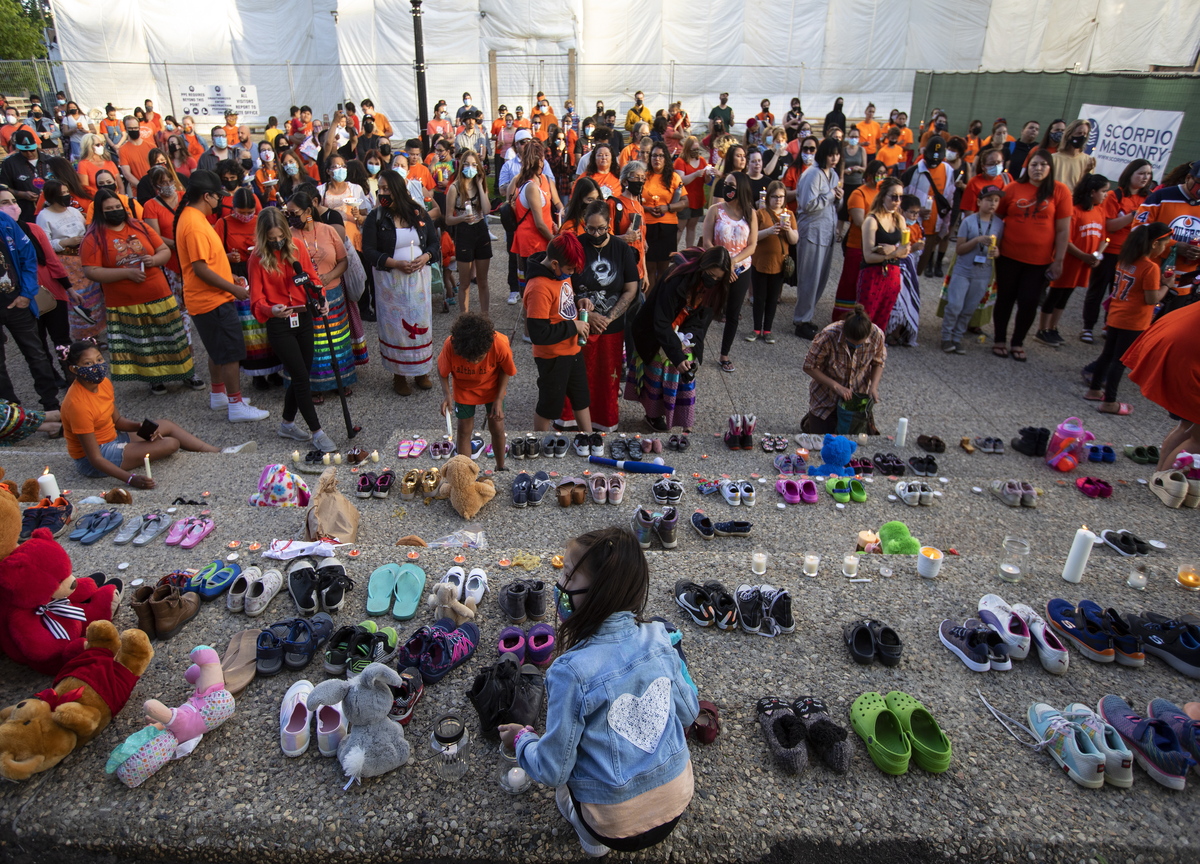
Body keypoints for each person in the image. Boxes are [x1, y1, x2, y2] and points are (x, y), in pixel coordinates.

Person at [501, 524, 697, 856]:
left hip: (611, 825)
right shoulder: (659, 638)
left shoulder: (569, 671)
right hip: (677, 799)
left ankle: (591, 843)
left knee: (565, 777)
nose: (559, 584)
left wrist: (521, 739)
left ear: (600, 592)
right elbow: (689, 712)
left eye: (568, 575)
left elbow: (553, 769)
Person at [60, 341, 250, 486]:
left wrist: (140, 427)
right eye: (88, 363)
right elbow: (95, 458)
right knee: (171, 443)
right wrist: (130, 479)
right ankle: (133, 451)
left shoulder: (103, 384)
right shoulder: (78, 405)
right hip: (95, 458)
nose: (96, 366)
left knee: (165, 425)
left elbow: (117, 421)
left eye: (99, 360)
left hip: (112, 438)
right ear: (74, 369)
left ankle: (219, 451)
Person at [174, 170, 269, 422]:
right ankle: (235, 404)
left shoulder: (193, 218)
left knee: (218, 350)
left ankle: (219, 394)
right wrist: (233, 288)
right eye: (218, 196)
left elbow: (208, 261)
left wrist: (229, 276)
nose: (220, 201)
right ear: (207, 196)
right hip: (211, 299)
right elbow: (200, 268)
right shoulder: (194, 224)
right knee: (230, 353)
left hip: (208, 297)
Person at [79, 189, 195, 394]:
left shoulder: (140, 226)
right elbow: (91, 271)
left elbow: (164, 250)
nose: (115, 211)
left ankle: (186, 373)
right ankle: (155, 378)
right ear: (100, 212)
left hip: (158, 294)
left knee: (171, 337)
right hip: (125, 302)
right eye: (109, 209)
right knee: (144, 343)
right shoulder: (93, 237)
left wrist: (154, 260)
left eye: (118, 207)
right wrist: (126, 274)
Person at [248, 208, 338, 452]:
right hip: (279, 323)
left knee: (302, 375)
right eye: (272, 238)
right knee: (299, 376)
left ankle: (287, 424)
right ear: (264, 237)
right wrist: (271, 310)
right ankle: (317, 432)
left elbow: (312, 278)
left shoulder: (297, 246)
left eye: (281, 237)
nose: (278, 242)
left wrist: (321, 298)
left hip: (303, 316)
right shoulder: (257, 258)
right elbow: (256, 299)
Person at [626, 246, 731, 432]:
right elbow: (660, 321)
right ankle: (653, 415)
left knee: (685, 373)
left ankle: (683, 418)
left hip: (685, 331)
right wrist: (676, 354)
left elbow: (701, 321)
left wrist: (688, 344)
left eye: (717, 278)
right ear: (702, 267)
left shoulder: (715, 288)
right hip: (654, 332)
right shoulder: (676, 278)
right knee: (658, 372)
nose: (712, 280)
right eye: (710, 275)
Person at [1081, 222, 1171, 416]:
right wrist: (1167, 286)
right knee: (1119, 361)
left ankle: (1094, 389)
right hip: (1134, 320)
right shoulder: (1150, 267)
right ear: (1155, 244)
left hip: (1116, 314)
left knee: (1107, 355)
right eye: (1164, 244)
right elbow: (1151, 299)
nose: (1164, 249)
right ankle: (1109, 402)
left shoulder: (1125, 259)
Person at [565, 201, 639, 432]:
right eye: (591, 229)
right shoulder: (576, 245)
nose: (596, 234)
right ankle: (570, 419)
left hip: (611, 326)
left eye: (601, 229)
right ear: (584, 225)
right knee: (577, 374)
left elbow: (631, 289)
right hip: (580, 321)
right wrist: (587, 313)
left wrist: (609, 317)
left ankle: (603, 420)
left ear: (609, 224)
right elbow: (564, 283)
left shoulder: (621, 249)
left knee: (607, 377)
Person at [363, 169, 438, 396]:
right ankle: (399, 375)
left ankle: (421, 371)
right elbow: (368, 250)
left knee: (419, 325)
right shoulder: (375, 217)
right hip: (390, 284)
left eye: (386, 188)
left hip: (418, 282)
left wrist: (426, 257)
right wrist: (395, 263)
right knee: (396, 328)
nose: (382, 193)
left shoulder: (418, 213)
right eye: (380, 189)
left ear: (398, 190)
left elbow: (433, 243)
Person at [992, 149, 1071, 361]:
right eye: (1034, 164)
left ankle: (1017, 341)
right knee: (1005, 298)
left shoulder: (1060, 191)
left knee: (1029, 301)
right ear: (1028, 167)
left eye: (1043, 165)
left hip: (1039, 261)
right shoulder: (1012, 188)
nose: (1038, 169)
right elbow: (997, 218)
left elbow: (1063, 230)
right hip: (1008, 256)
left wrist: (1059, 260)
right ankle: (999, 339)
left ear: (1050, 168)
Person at [286, 190, 355, 400]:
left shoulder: (328, 230)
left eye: (294, 213)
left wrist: (329, 276)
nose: (291, 217)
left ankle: (340, 380)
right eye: (288, 213)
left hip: (331, 294)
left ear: (308, 211)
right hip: (303, 297)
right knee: (311, 342)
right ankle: (313, 385)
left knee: (336, 339)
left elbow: (343, 261)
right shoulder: (288, 235)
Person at [215, 187, 282, 392]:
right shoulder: (223, 224)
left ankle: (274, 370)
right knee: (250, 327)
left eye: (249, 212)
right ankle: (257, 375)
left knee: (269, 322)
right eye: (241, 212)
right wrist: (228, 258)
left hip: (262, 270)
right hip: (238, 276)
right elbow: (214, 255)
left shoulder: (259, 222)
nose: (245, 216)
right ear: (233, 208)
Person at [523, 233, 591, 432]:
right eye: (570, 269)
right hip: (552, 357)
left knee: (581, 398)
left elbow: (563, 298)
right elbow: (539, 334)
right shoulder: (538, 288)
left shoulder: (561, 272)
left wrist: (578, 301)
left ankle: (589, 438)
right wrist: (574, 327)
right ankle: (539, 442)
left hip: (573, 350)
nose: (572, 273)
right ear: (554, 264)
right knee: (549, 405)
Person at [1081, 159, 1154, 343]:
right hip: (1111, 250)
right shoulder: (1115, 196)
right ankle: (1088, 327)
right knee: (1097, 290)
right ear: (1130, 174)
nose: (1145, 177)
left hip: (1133, 254)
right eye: (1141, 173)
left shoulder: (1149, 198)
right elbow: (1110, 225)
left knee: (1120, 293)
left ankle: (1110, 325)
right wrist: (1134, 215)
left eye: (1148, 174)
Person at [1035, 173, 1109, 346]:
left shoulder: (1099, 211)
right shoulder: (1074, 210)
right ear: (1092, 192)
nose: (1106, 195)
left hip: (1083, 264)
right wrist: (1083, 255)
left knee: (1065, 296)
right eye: (1104, 191)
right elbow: (1066, 240)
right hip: (1068, 262)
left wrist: (1097, 256)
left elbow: (1102, 238)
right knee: (1055, 295)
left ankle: (1053, 327)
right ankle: (1042, 329)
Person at [0, 203, 60, 412]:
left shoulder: (5, 221)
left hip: (16, 301)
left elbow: (28, 256)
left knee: (36, 354)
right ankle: (10, 411)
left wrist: (26, 294)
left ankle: (51, 404)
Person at [439, 312, 514, 470]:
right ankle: (465, 472)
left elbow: (506, 370)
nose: (474, 362)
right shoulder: (450, 345)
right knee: (463, 430)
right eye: (469, 359)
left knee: (497, 427)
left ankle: (501, 467)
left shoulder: (499, 344)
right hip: (463, 390)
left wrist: (499, 399)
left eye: (479, 357)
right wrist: (447, 395)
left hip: (493, 389)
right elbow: (442, 371)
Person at [800, 303, 885, 435]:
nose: (855, 347)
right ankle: (811, 421)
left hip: (855, 398)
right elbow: (809, 367)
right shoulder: (828, 335)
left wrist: (873, 386)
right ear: (845, 334)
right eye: (851, 344)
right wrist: (836, 386)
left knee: (854, 438)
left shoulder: (876, 335)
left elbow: (878, 362)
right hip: (826, 397)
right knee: (822, 439)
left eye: (860, 345)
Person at [703, 171, 758, 372]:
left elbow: (752, 245)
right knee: (706, 310)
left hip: (741, 268)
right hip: (717, 267)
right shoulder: (715, 210)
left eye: (732, 185)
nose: (727, 188)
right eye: (726, 184)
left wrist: (733, 263)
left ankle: (724, 354)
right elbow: (707, 241)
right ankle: (694, 348)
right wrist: (724, 266)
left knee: (733, 314)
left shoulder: (750, 213)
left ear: (741, 188)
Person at [941, 184, 1003, 353]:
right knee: (955, 305)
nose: (992, 204)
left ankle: (957, 337)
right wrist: (976, 240)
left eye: (996, 200)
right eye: (988, 200)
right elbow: (959, 249)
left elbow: (999, 247)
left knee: (969, 308)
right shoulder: (968, 221)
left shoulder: (999, 224)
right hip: (963, 270)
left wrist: (997, 252)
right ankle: (946, 337)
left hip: (983, 272)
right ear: (979, 201)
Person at [34, 179, 97, 342]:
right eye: (62, 193)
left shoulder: (74, 211)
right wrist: (64, 242)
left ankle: (96, 330)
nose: (66, 196)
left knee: (93, 294)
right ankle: (83, 336)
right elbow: (44, 243)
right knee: (77, 297)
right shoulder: (44, 216)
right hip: (66, 261)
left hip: (83, 257)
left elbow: (86, 228)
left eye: (67, 192)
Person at [791, 138, 842, 339]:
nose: (834, 158)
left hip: (827, 231)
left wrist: (838, 196)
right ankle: (801, 320)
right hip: (812, 232)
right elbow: (808, 205)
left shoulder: (833, 174)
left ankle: (808, 315)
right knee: (809, 278)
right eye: (831, 154)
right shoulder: (812, 174)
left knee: (821, 277)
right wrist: (830, 195)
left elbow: (834, 203)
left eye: (837, 154)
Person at [832, 161, 885, 321]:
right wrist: (881, 228)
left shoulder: (883, 194)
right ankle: (842, 318)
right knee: (850, 282)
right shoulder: (859, 193)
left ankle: (863, 320)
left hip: (876, 246)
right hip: (857, 246)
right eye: (878, 172)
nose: (881, 176)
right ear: (869, 174)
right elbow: (859, 221)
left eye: (884, 173)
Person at [855, 177, 909, 329]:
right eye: (894, 196)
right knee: (864, 321)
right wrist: (894, 252)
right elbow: (868, 256)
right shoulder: (871, 221)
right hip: (872, 275)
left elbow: (905, 250)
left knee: (882, 322)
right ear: (883, 196)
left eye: (901, 197)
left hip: (893, 276)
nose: (897, 201)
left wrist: (892, 250)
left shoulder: (900, 219)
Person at [749, 180, 797, 343]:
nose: (778, 200)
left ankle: (768, 329)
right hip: (760, 262)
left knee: (772, 298)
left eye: (781, 197)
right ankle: (756, 328)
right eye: (775, 196)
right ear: (768, 197)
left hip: (779, 264)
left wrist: (788, 230)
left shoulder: (789, 215)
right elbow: (752, 236)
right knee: (759, 297)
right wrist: (768, 231)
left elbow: (794, 240)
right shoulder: (760, 214)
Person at [444, 150, 492, 315]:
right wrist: (462, 218)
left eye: (473, 165)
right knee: (464, 282)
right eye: (467, 164)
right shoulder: (455, 188)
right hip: (464, 232)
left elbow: (486, 210)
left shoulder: (480, 186)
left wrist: (480, 185)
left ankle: (485, 316)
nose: (470, 168)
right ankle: (464, 317)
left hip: (480, 230)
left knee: (482, 280)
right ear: (461, 166)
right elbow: (448, 219)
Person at [906, 137, 954, 278]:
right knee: (906, 264)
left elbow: (950, 199)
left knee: (919, 269)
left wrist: (945, 226)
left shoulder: (948, 171)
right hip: (912, 228)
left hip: (932, 229)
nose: (933, 162)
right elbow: (901, 198)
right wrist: (916, 210)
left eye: (937, 160)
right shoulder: (913, 172)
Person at [641, 142, 685, 289]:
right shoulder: (644, 176)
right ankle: (649, 299)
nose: (657, 159)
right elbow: (634, 201)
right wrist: (647, 208)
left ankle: (660, 298)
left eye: (660, 156)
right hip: (648, 226)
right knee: (649, 268)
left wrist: (668, 207)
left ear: (666, 158)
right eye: (654, 155)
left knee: (664, 269)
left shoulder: (674, 177)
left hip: (668, 226)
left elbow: (685, 202)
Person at [889, 194, 927, 347]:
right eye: (911, 212)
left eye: (917, 213)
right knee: (897, 302)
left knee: (908, 301)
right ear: (901, 210)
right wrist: (912, 249)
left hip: (910, 269)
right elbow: (895, 248)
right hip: (898, 268)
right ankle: (891, 331)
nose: (914, 216)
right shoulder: (896, 226)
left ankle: (900, 331)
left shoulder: (918, 227)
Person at [0, 130, 50, 223]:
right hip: (26, 211)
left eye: (32, 150)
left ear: (36, 145)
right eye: (24, 151)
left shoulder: (49, 159)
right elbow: (3, 187)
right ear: (18, 148)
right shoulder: (9, 163)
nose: (29, 154)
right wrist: (22, 194)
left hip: (50, 208)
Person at [673, 137, 708, 248]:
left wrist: (708, 175)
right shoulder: (680, 161)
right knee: (680, 227)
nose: (696, 152)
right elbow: (681, 180)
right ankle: (672, 250)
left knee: (692, 227)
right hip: (685, 199)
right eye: (694, 149)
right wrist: (695, 174)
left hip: (697, 198)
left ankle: (689, 251)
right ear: (688, 149)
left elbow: (706, 181)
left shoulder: (702, 160)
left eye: (697, 149)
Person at [961, 147, 1011, 214]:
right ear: (983, 167)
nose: (996, 166)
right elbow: (969, 212)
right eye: (992, 163)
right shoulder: (974, 183)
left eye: (999, 162)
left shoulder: (1007, 178)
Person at [1051, 120, 1095, 192]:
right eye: (1079, 133)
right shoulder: (1053, 158)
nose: (1082, 136)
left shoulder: (1088, 160)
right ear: (1069, 135)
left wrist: (1087, 172)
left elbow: (1086, 187)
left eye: (1085, 134)